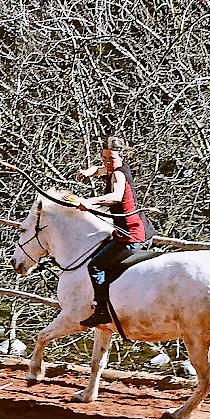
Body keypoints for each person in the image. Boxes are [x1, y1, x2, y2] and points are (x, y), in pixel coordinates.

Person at [74, 136, 149, 327]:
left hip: (130, 236)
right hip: (129, 231)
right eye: (104, 158)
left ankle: (102, 311)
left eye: (111, 158)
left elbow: (115, 196)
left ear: (121, 156)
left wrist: (90, 202)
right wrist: (86, 172)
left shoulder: (118, 174)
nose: (107, 162)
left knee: (96, 265)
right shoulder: (112, 169)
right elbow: (98, 170)